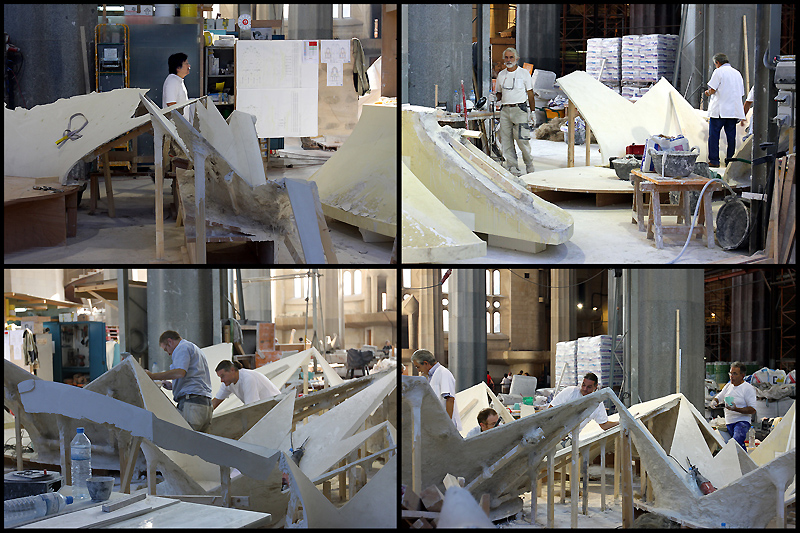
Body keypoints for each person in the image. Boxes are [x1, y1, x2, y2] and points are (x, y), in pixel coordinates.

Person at [145, 330, 213, 432]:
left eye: (166, 349)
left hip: (192, 405)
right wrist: (174, 386)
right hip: (205, 405)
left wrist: (152, 376)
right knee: (199, 441)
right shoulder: (194, 348)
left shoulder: (182, 348)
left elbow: (180, 372)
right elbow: (194, 377)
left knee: (183, 440)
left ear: (170, 341)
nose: (168, 353)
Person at [492, 47, 536, 175]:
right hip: (505, 111)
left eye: (511, 57)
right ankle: (513, 168)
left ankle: (529, 166)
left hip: (520, 110)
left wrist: (532, 112)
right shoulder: (501, 75)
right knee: (506, 142)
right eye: (506, 57)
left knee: (523, 140)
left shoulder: (524, 74)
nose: (509, 60)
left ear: (517, 59)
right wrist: (494, 97)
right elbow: (499, 93)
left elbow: (530, 94)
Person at [704, 53, 745, 168]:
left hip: (719, 111)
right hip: (733, 112)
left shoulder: (718, 72)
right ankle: (730, 161)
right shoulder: (737, 73)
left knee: (714, 136)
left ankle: (714, 161)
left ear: (717, 63)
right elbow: (741, 93)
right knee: (731, 138)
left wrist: (707, 93)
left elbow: (712, 89)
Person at [548, 372, 618, 434]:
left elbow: (604, 425)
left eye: (589, 387)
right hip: (554, 432)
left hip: (571, 437)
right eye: (583, 385)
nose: (584, 389)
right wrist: (555, 430)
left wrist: (620, 422)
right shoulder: (570, 392)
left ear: (595, 386)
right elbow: (550, 409)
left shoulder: (597, 403)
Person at [410, 349, 462, 431]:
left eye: (418, 367)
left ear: (426, 363)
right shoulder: (431, 377)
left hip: (444, 425)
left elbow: (450, 399)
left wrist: (447, 424)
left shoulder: (443, 373)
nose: (418, 370)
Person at [710, 361, 757, 450]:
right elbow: (719, 397)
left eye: (735, 374)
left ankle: (737, 458)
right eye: (731, 373)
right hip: (729, 422)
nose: (731, 376)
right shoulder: (728, 386)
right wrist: (714, 401)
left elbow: (753, 409)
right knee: (736, 447)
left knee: (736, 443)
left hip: (742, 422)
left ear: (742, 375)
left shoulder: (748, 388)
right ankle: (742, 458)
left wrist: (736, 409)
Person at [211, 360, 281, 410]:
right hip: (265, 409)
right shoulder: (228, 383)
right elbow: (215, 402)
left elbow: (251, 408)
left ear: (232, 370)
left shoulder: (248, 379)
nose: (221, 380)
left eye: (223, 376)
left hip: (276, 408)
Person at [163, 52, 192, 121]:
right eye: (186, 64)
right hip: (175, 125)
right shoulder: (172, 81)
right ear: (178, 67)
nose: (189, 66)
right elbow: (171, 104)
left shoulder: (178, 80)